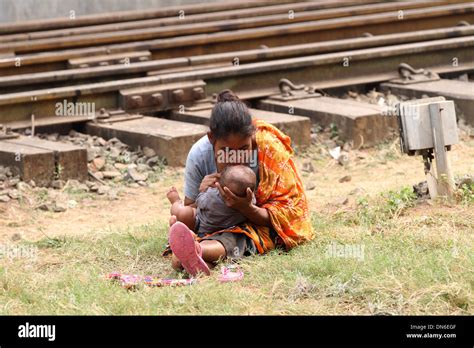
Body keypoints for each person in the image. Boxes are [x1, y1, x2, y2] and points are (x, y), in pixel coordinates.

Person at [166, 89, 314, 277]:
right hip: (209, 226)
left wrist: (246, 208)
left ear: (253, 136)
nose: (236, 158)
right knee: (186, 220)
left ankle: (195, 252)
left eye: (244, 148)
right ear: (212, 139)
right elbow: (194, 211)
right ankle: (192, 250)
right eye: (226, 151)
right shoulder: (199, 154)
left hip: (253, 225)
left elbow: (290, 213)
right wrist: (200, 193)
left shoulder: (269, 149)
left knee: (247, 237)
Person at [166, 164, 257, 237]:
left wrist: (203, 190)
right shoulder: (250, 201)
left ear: (221, 187)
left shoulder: (212, 196)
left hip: (201, 227)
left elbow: (199, 202)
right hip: (229, 231)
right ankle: (185, 233)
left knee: (184, 213)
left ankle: (176, 202)